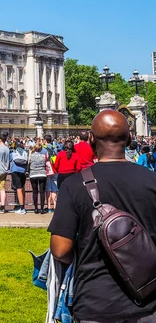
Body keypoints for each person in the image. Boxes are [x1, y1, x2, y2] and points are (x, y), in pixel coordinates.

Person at [49, 109, 156, 322]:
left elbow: (60, 250)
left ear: (90, 138)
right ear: (130, 138)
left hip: (95, 300)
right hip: (148, 299)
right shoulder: (151, 180)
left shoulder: (73, 185)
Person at [28, 143, 48, 214]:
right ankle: (42, 208)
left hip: (33, 174)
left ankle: (36, 208)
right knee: (42, 192)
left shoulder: (31, 156)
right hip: (42, 174)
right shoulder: (43, 156)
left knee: (35, 192)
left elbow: (28, 163)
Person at [10, 142, 29, 214]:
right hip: (23, 171)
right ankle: (23, 205)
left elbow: (10, 160)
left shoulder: (13, 153)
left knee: (18, 189)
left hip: (15, 171)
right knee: (22, 188)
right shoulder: (25, 153)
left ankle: (21, 208)